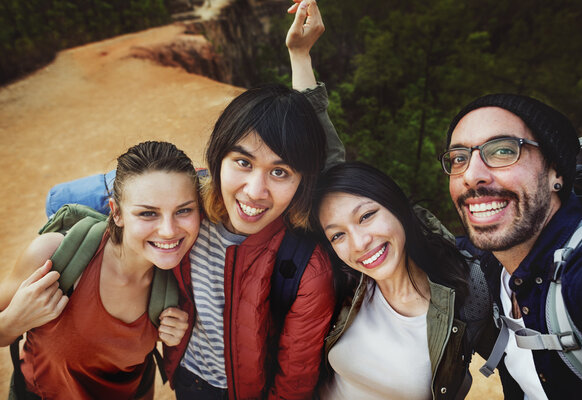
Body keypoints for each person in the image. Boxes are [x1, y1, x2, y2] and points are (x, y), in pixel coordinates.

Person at [160, 2, 346, 398]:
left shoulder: (303, 268)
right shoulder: (181, 210)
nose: (255, 191)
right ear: (216, 159)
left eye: (280, 172)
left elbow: (294, 380)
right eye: (243, 162)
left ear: (301, 182)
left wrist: (301, 56)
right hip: (185, 375)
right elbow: (121, 205)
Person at [0, 141, 196, 399]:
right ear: (117, 214)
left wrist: (173, 338)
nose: (169, 230)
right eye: (148, 213)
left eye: (183, 210)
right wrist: (12, 322)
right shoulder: (53, 256)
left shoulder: (183, 277)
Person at [441, 94, 582, 399]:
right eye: (460, 157)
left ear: (556, 172)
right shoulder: (488, 264)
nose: (472, 176)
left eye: (502, 150)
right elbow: (382, 230)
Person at [312, 161, 493, 400]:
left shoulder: (468, 294)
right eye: (337, 235)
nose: (358, 243)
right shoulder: (339, 287)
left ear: (395, 206)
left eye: (366, 216)